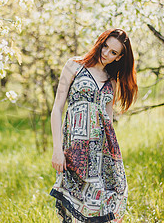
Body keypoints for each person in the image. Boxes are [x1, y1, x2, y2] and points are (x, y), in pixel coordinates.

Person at [50, 28, 138, 223]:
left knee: (105, 209)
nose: (106, 53)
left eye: (113, 52)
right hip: (75, 151)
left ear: (119, 57)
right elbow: (57, 109)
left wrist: (113, 160)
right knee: (74, 207)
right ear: (100, 42)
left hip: (102, 156)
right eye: (105, 46)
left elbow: (108, 122)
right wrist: (57, 149)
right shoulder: (74, 66)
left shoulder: (112, 81)